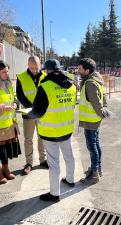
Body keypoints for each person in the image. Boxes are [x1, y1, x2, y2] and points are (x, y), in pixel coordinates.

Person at [27, 59, 76, 202]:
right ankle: (70, 180)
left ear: (47, 71)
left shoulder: (45, 87)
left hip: (50, 132)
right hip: (66, 129)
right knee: (69, 156)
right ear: (59, 69)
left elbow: (38, 111)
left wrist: (29, 113)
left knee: (54, 163)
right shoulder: (71, 86)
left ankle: (54, 194)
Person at [77, 58, 108, 185]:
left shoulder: (89, 83)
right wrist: (103, 113)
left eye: (80, 69)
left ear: (87, 70)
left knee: (92, 146)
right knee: (95, 144)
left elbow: (96, 102)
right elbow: (104, 98)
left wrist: (101, 113)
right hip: (93, 119)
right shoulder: (96, 80)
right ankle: (97, 168)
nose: (78, 71)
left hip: (91, 120)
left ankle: (94, 174)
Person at [16, 56, 48, 175]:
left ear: (40, 65)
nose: (34, 70)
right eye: (31, 67)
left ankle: (43, 160)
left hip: (42, 113)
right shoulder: (21, 77)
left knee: (42, 137)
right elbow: (20, 95)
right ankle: (29, 163)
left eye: (36, 67)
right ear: (28, 65)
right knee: (28, 139)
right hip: (29, 112)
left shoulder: (45, 76)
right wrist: (31, 107)